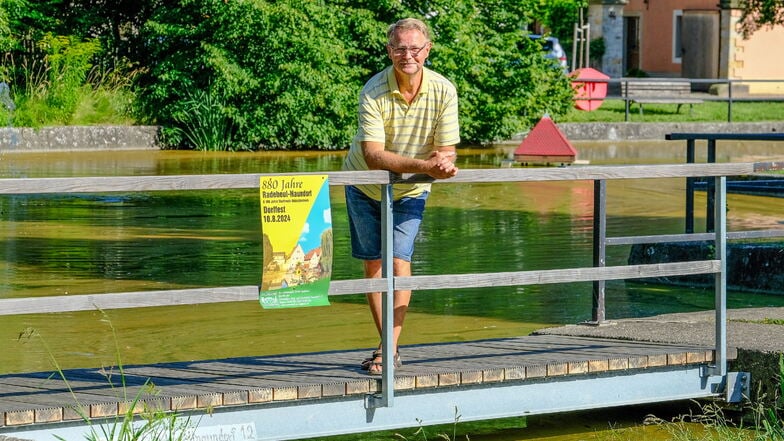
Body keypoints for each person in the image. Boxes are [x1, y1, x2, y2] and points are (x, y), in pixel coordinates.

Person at [343, 17, 460, 375]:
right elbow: (375, 155)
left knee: (399, 262)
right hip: (364, 182)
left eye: (414, 48)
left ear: (427, 50)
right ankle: (389, 348)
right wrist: (427, 164)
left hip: (411, 189)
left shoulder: (444, 90)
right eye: (399, 48)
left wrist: (442, 162)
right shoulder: (373, 90)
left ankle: (388, 350)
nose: (407, 55)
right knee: (374, 266)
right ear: (389, 50)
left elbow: (447, 150)